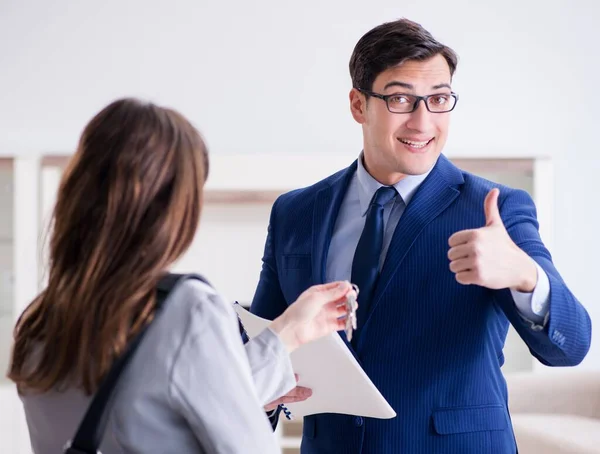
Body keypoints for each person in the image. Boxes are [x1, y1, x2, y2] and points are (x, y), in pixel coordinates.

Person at [250, 18, 592, 453]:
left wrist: (525, 275)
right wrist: (261, 398)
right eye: (400, 99)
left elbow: (572, 345)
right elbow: (265, 343)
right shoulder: (295, 212)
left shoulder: (495, 209)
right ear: (358, 105)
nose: (422, 121)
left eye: (439, 99)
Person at [7, 98, 357, 454]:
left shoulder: (38, 322)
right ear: (173, 206)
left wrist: (288, 332)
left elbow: (147, 402)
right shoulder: (187, 309)